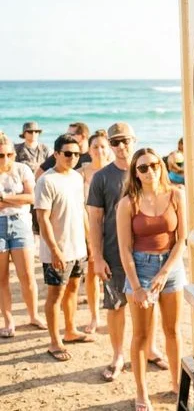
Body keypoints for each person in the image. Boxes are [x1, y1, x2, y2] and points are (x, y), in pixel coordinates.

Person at [87, 122, 166, 381]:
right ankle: (118, 355)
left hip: (146, 254)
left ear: (134, 140)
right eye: (115, 142)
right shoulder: (101, 177)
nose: (121, 146)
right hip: (113, 254)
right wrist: (97, 258)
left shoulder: (148, 171)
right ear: (110, 145)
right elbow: (95, 220)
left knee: (148, 305)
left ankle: (151, 349)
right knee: (116, 306)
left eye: (125, 140)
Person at [118, 148, 187, 411]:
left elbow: (181, 239)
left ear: (161, 166)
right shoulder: (128, 203)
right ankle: (141, 393)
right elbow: (124, 248)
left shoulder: (176, 195)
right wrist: (136, 286)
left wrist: (165, 273)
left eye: (154, 165)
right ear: (135, 173)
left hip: (170, 268)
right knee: (141, 335)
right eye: (143, 167)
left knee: (173, 331)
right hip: (140, 269)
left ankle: (175, 383)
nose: (150, 171)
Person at [34, 134, 95, 362]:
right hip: (57, 252)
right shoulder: (46, 181)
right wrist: (56, 250)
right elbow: (43, 219)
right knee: (55, 295)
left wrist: (90, 242)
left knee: (72, 290)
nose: (72, 157)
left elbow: (82, 212)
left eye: (77, 154)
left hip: (77, 247)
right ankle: (54, 341)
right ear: (56, 154)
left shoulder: (77, 179)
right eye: (67, 153)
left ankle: (70, 330)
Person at [0, 133, 46, 337]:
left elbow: (32, 197)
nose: (6, 159)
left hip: (20, 224)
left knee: (27, 276)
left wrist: (5, 198)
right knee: (1, 279)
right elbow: (24, 198)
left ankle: (33, 315)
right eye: (1, 156)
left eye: (10, 154)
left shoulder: (22, 169)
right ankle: (9, 321)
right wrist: (17, 200)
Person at [76, 130, 112, 334]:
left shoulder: (115, 170)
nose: (99, 150)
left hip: (113, 228)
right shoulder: (82, 173)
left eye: (103, 146)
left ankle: (114, 314)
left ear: (109, 150)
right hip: (87, 227)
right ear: (89, 150)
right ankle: (94, 317)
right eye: (95, 146)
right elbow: (79, 205)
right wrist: (89, 234)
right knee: (92, 272)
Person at [15, 121, 51, 235]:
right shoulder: (17, 149)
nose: (33, 134)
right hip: (23, 187)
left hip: (41, 185)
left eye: (36, 131)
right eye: (30, 131)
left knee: (40, 215)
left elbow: (51, 166)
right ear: (24, 134)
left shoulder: (45, 149)